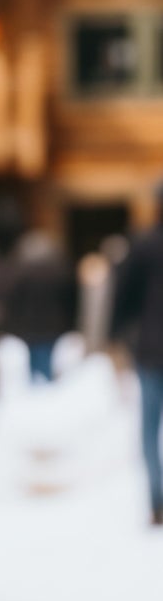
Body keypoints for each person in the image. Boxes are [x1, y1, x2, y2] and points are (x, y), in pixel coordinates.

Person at [107, 182, 163, 527]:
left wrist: (116, 336)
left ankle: (157, 503)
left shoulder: (142, 246)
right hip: (150, 350)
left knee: (149, 431)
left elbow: (122, 297)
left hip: (151, 351)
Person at [0, 229, 79, 384]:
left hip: (29, 326)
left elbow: (13, 300)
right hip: (53, 326)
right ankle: (46, 386)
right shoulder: (59, 271)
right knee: (47, 360)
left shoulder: (20, 273)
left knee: (35, 363)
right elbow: (69, 299)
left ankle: (38, 386)